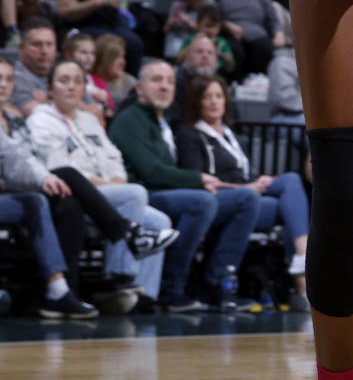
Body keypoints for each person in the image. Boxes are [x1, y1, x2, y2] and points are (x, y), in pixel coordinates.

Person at [109, 59, 260, 312]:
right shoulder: (130, 120)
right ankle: (173, 288)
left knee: (247, 199)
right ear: (139, 89)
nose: (165, 87)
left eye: (169, 81)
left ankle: (216, 283)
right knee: (201, 201)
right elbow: (151, 172)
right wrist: (198, 179)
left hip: (163, 193)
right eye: (156, 80)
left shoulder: (164, 122)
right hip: (142, 196)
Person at [26, 59, 178, 304]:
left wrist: (117, 178)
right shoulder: (40, 120)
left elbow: (114, 156)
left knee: (159, 221)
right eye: (64, 81)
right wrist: (108, 185)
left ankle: (145, 296)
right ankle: (117, 279)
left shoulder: (89, 120)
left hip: (110, 192)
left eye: (77, 81)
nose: (72, 87)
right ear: (51, 90)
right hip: (76, 195)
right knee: (135, 194)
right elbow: (59, 168)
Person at [176, 75, 310, 310]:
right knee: (288, 209)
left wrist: (258, 181)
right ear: (196, 102)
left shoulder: (230, 134)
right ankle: (302, 279)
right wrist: (246, 188)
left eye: (218, 96)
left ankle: (302, 258)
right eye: (207, 97)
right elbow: (199, 180)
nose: (214, 102)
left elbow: (244, 174)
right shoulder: (190, 135)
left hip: (248, 195)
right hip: (220, 201)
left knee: (290, 181)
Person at [0, 57, 98, 318]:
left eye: (9, 78)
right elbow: (12, 159)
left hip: (12, 191)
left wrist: (42, 177)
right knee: (47, 194)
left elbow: (19, 158)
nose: (3, 84)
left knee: (57, 201)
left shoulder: (13, 118)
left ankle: (58, 289)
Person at [11, 18, 57, 115]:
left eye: (49, 44)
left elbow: (94, 110)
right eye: (36, 44)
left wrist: (48, 100)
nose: (44, 51)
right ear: (21, 48)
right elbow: (30, 111)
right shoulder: (13, 76)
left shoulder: (63, 73)